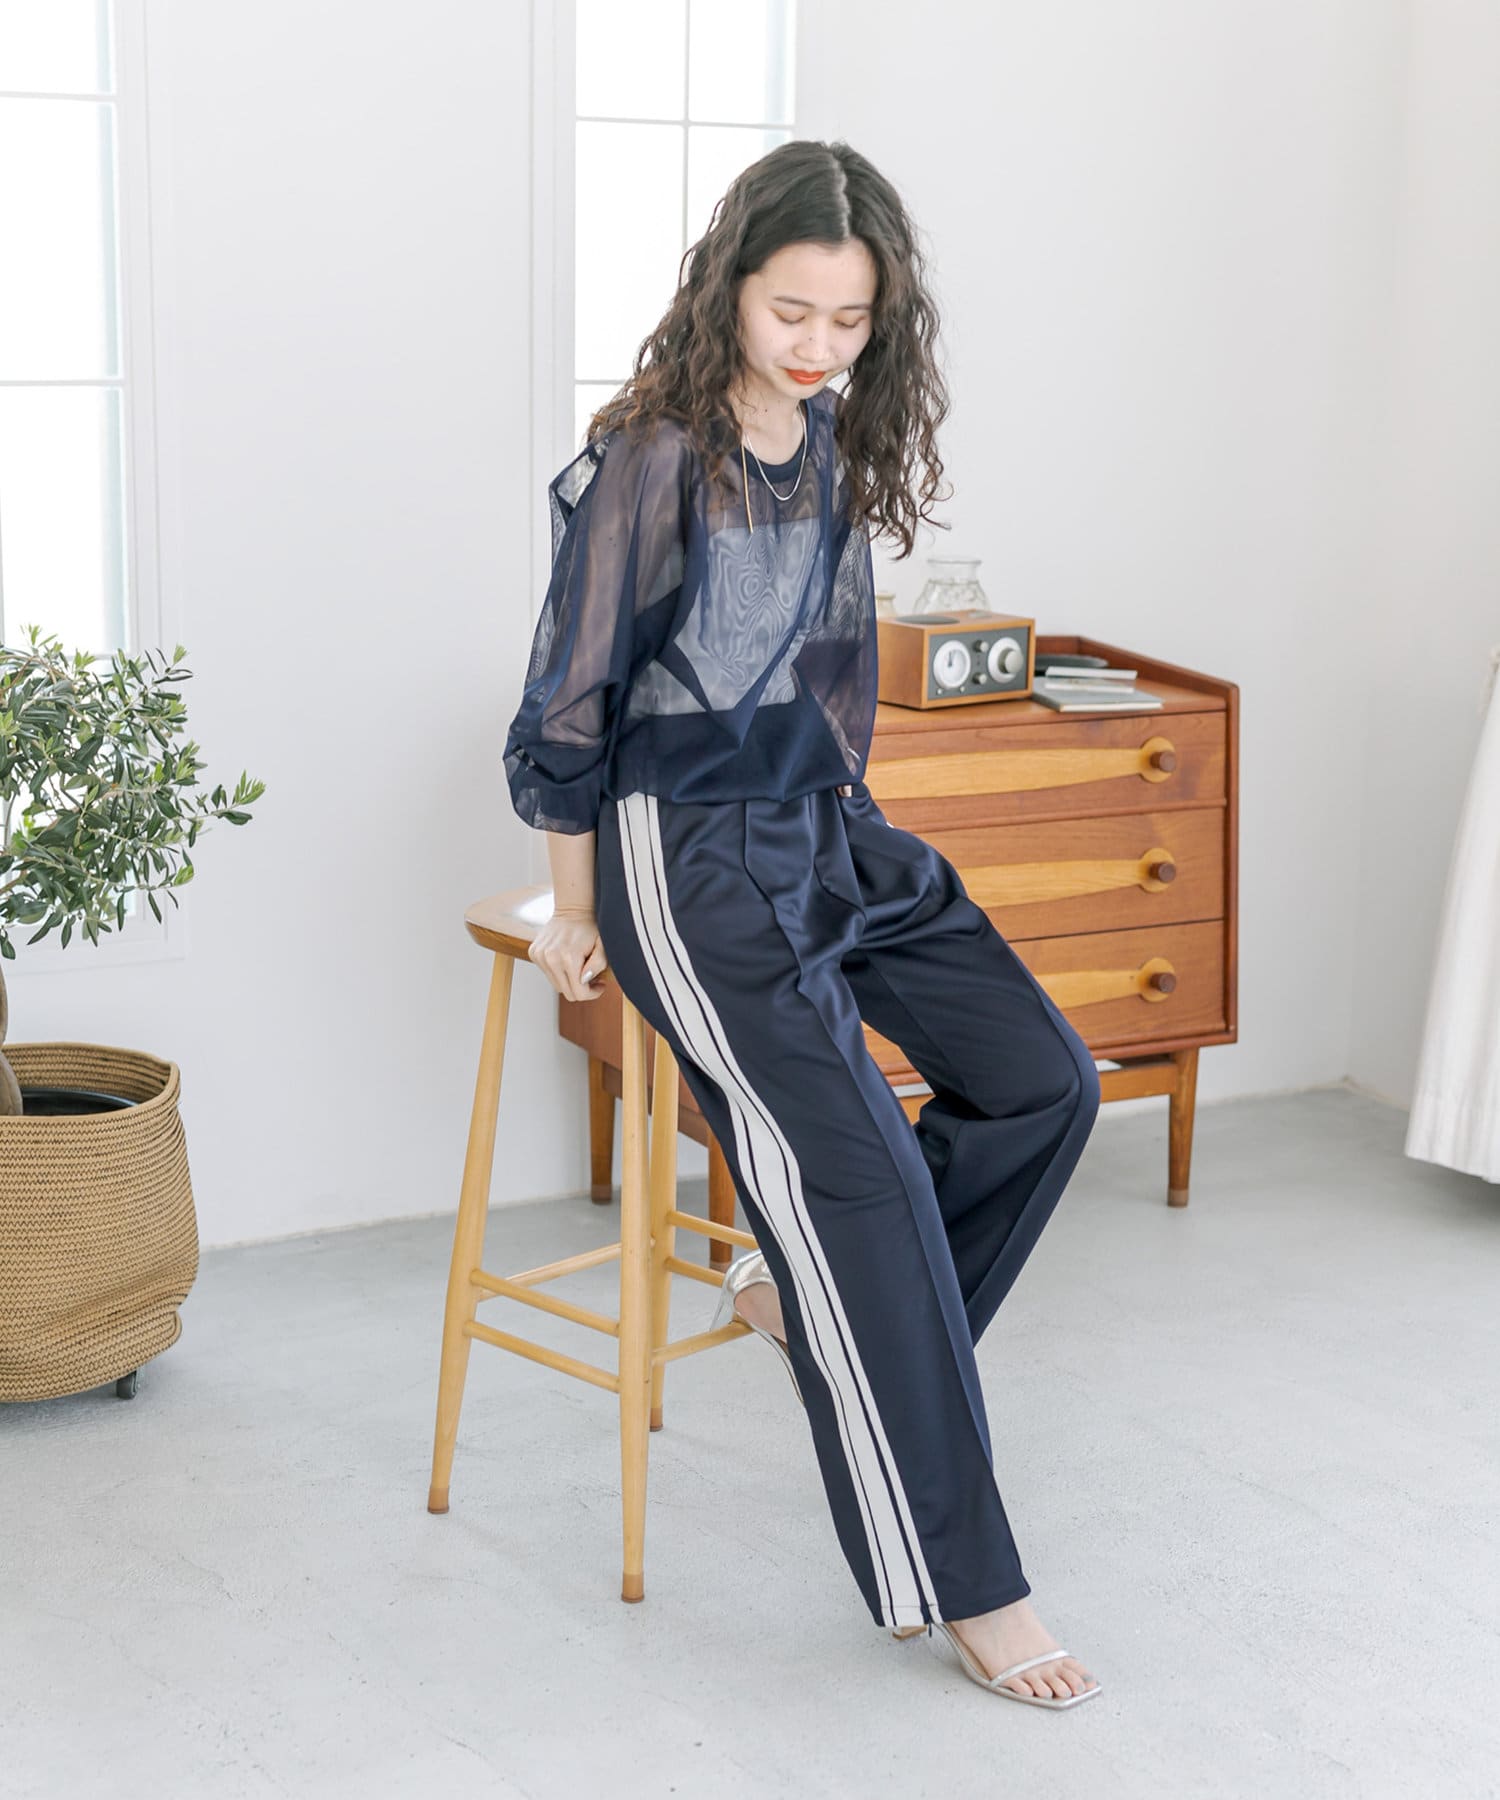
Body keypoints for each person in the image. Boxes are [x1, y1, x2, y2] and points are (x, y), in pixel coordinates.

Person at [504, 139, 1103, 1710]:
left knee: (1045, 1081)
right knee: (869, 1186)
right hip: (686, 859)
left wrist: (849, 834)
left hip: (829, 830)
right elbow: (567, 700)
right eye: (793, 312)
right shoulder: (655, 457)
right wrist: (576, 908)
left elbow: (820, 677)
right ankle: (972, 1587)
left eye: (850, 319)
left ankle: (809, 1305)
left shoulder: (829, 436)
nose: (820, 345)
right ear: (729, 289)